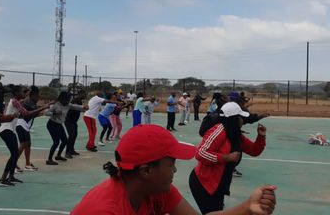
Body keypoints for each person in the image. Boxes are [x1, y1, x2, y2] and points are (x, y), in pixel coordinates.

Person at [71, 124, 277, 215]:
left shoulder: (156, 191)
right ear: (146, 171)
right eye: (171, 164)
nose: (175, 170)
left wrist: (249, 207)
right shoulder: (104, 210)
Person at [189, 102, 268, 214]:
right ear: (234, 119)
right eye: (240, 117)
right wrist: (227, 158)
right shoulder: (219, 130)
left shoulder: (235, 134)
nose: (243, 121)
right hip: (203, 183)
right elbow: (200, 153)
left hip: (219, 184)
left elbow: (254, 151)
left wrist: (261, 136)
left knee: (217, 211)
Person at [0, 85, 50, 186]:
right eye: (22, 92)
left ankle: (11, 176)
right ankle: (3, 178)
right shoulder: (14, 101)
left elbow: (23, 102)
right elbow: (26, 113)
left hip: (10, 130)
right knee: (14, 154)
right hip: (6, 130)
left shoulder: (16, 101)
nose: (24, 93)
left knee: (14, 154)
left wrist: (28, 96)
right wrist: (43, 107)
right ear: (17, 93)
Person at [45, 91, 86, 165]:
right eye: (67, 99)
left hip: (59, 125)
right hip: (52, 124)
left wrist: (84, 107)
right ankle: (49, 159)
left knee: (65, 141)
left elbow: (75, 106)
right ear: (62, 99)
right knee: (56, 142)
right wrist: (54, 113)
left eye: (69, 99)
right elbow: (47, 113)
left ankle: (58, 155)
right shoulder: (56, 105)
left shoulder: (68, 105)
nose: (68, 101)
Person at [16, 86, 49, 171]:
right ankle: (13, 164)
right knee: (23, 145)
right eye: (37, 96)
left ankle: (27, 164)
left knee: (28, 144)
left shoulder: (32, 103)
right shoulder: (28, 102)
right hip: (21, 125)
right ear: (32, 95)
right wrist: (44, 108)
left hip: (25, 126)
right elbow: (32, 111)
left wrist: (40, 112)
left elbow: (33, 113)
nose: (38, 98)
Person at [64, 89, 87, 157]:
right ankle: (67, 152)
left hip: (73, 121)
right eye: (84, 94)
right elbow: (76, 108)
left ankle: (71, 150)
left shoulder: (78, 100)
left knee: (74, 135)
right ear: (81, 94)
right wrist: (84, 108)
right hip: (69, 121)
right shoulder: (76, 100)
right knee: (71, 136)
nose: (85, 95)